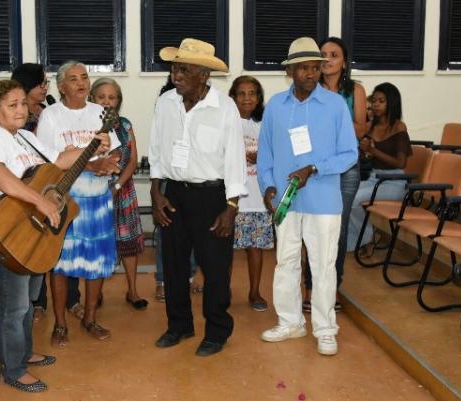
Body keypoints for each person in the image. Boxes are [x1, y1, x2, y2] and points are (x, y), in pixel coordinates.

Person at [0, 79, 110, 392]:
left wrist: (92, 147)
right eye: (12, 105)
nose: (21, 110)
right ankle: (14, 369)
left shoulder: (23, 137)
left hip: (33, 228)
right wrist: (40, 201)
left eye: (22, 103)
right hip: (9, 231)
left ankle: (25, 352)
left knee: (30, 298)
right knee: (15, 304)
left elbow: (59, 160)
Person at [257, 37, 358, 356]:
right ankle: (290, 322)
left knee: (322, 265)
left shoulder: (335, 105)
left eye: (316, 67)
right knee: (285, 262)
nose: (312, 73)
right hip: (286, 201)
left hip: (324, 202)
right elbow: (265, 153)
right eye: (304, 68)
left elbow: (349, 154)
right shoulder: (274, 105)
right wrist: (267, 187)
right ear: (290, 71)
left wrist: (314, 167)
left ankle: (326, 330)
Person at [149, 38, 247, 357]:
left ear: (204, 75)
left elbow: (235, 159)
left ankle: (217, 331)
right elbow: (156, 149)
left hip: (212, 197)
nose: (176, 75)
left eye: (184, 70)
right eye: (174, 68)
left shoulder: (224, 108)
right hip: (174, 193)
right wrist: (156, 191)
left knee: (216, 268)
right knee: (174, 265)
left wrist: (231, 206)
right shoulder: (165, 103)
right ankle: (179, 325)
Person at [37, 61, 121, 346]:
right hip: (63, 201)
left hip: (97, 200)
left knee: (95, 264)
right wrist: (91, 166)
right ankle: (60, 324)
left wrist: (109, 164)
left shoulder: (100, 112)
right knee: (59, 265)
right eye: (73, 79)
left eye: (84, 77)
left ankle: (90, 318)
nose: (81, 82)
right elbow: (48, 161)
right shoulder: (50, 117)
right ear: (61, 86)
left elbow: (116, 151)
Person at [10, 63, 83, 323]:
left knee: (61, 242)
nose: (45, 89)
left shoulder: (51, 108)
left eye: (46, 84)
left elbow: (57, 152)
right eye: (41, 84)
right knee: (36, 245)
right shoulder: (16, 120)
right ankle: (38, 302)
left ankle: (72, 298)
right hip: (28, 188)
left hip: (56, 185)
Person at [302, 37, 368, 313]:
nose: (327, 60)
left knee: (336, 232)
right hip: (312, 168)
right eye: (323, 55)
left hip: (345, 169)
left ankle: (332, 287)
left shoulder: (356, 90)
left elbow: (361, 130)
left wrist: (328, 127)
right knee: (310, 227)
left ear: (344, 61)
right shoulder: (308, 88)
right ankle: (309, 287)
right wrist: (338, 129)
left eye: (334, 55)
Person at [89, 77, 148, 310]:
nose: (106, 101)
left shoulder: (125, 125)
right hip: (96, 192)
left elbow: (133, 160)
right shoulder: (87, 124)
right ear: (92, 99)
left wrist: (117, 186)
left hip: (123, 190)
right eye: (101, 96)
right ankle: (97, 293)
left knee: (129, 243)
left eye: (112, 97)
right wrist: (106, 187)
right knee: (101, 244)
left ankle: (132, 290)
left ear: (118, 101)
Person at [347, 82, 412, 256]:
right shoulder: (371, 126)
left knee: (354, 200)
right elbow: (366, 156)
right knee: (345, 196)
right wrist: (364, 152)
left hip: (394, 182)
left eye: (381, 101)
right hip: (374, 178)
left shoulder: (398, 127)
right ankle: (363, 238)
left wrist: (373, 150)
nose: (375, 105)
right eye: (374, 100)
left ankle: (367, 239)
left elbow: (400, 163)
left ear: (392, 102)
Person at [153, 74, 201, 302]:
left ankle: (189, 276)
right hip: (170, 179)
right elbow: (158, 143)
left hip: (195, 178)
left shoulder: (207, 100)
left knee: (194, 232)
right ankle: (163, 280)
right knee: (166, 234)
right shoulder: (165, 99)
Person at [228, 75, 274, 312]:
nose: (247, 98)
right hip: (231, 199)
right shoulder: (227, 122)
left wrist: (262, 157)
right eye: (241, 93)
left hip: (257, 197)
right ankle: (222, 289)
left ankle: (255, 291)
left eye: (252, 93)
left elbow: (277, 156)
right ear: (233, 97)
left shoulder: (266, 124)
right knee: (224, 248)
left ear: (259, 98)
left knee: (255, 248)